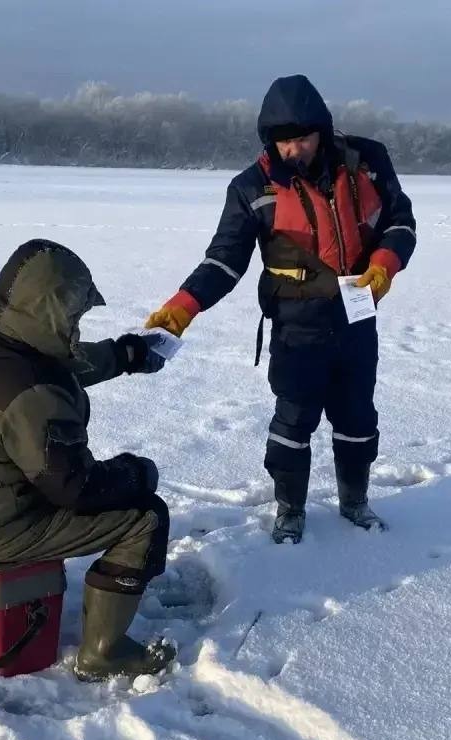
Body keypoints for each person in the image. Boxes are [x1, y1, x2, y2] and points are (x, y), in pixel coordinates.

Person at [146, 74, 417, 544]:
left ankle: (355, 501)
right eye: (284, 141)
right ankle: (290, 509)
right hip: (297, 324)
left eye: (303, 138)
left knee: (357, 418)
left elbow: (401, 222)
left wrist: (384, 266)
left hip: (357, 315)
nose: (293, 149)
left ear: (323, 130)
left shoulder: (366, 161)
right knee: (293, 421)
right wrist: (181, 309)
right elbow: (224, 260)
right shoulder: (251, 187)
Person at [0, 239, 175, 681]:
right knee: (146, 518)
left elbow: (56, 362)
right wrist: (137, 473)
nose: (77, 327)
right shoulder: (32, 396)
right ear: (51, 312)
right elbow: (76, 489)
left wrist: (123, 354)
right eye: (74, 317)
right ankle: (103, 653)